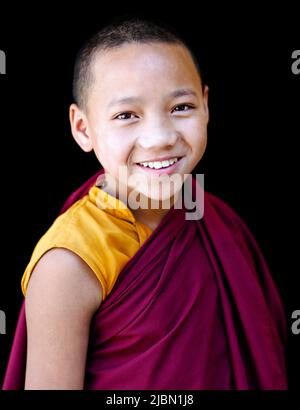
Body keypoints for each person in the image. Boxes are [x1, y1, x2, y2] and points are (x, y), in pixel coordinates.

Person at [2, 17, 287, 390]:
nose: (159, 138)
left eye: (181, 107)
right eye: (126, 116)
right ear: (83, 128)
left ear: (206, 104)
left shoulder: (219, 220)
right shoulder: (68, 263)